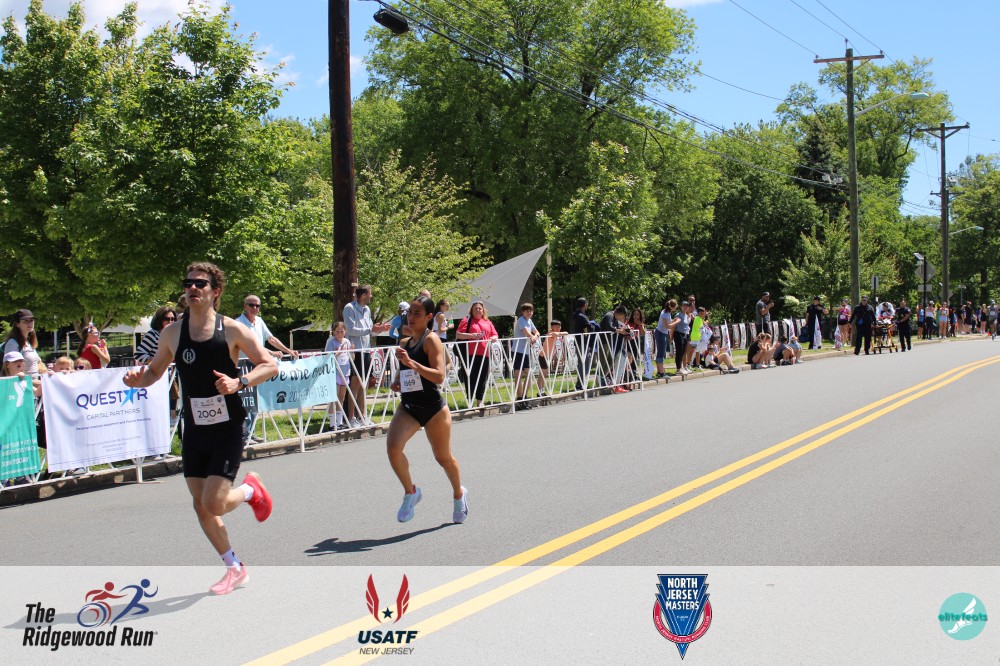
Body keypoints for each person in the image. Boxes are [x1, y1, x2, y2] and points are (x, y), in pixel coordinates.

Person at [122, 262, 278, 596]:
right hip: (194, 428)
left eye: (200, 284)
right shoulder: (172, 333)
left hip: (227, 427)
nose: (192, 288)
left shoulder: (232, 329)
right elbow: (154, 372)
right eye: (188, 283)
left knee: (215, 503)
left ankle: (251, 491)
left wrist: (239, 382)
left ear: (215, 291)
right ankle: (234, 568)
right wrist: (139, 380)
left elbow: (270, 365)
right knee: (201, 505)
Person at [387, 295, 467, 524]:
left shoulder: (431, 340)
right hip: (409, 406)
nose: (411, 318)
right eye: (409, 313)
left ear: (429, 317)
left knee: (443, 458)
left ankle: (459, 494)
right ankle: (411, 492)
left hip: (433, 409)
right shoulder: (405, 343)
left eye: (417, 314)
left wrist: (412, 364)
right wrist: (397, 380)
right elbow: (405, 372)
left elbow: (439, 376)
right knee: (393, 448)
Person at [343, 285, 390, 427]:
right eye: (370, 294)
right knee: (355, 385)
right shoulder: (349, 308)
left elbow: (370, 331)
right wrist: (370, 329)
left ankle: (362, 416)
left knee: (364, 385)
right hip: (355, 351)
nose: (371, 296)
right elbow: (351, 330)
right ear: (363, 295)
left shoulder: (367, 310)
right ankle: (351, 418)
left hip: (366, 350)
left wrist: (379, 329)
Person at [455, 301, 498, 408]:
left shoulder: (487, 322)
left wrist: (493, 338)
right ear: (472, 311)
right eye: (476, 308)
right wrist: (473, 335)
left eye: (480, 308)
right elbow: (458, 335)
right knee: (471, 377)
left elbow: (495, 334)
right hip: (470, 354)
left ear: (483, 311)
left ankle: (480, 401)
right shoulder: (467, 320)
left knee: (482, 378)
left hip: (484, 354)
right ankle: (470, 402)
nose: (478, 310)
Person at [236, 295, 299, 361]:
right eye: (251, 305)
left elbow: (271, 339)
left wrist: (289, 351)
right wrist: (271, 353)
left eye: (257, 306)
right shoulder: (238, 323)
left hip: (259, 362)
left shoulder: (259, 320)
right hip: (243, 363)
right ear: (245, 306)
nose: (254, 307)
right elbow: (251, 345)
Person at [511, 303, 545, 407]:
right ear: (522, 312)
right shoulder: (521, 320)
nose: (529, 313)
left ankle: (524, 397)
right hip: (517, 350)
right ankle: (519, 398)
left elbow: (537, 332)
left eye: (530, 311)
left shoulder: (529, 321)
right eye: (527, 311)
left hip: (526, 351)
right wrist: (533, 337)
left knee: (529, 374)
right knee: (518, 375)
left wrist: (535, 336)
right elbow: (526, 333)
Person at [324, 322, 352, 430]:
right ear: (334, 332)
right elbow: (328, 357)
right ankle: (332, 423)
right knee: (333, 397)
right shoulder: (331, 342)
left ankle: (339, 422)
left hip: (345, 371)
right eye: (337, 332)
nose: (340, 334)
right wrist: (339, 352)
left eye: (342, 331)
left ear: (345, 332)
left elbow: (351, 358)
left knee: (341, 397)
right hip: (335, 371)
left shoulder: (347, 341)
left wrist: (351, 351)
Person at [5, 309, 42, 376]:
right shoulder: (13, 343)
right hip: (24, 382)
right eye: (25, 321)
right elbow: (11, 370)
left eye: (31, 320)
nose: (29, 323)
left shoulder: (29, 343)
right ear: (17, 324)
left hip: (35, 381)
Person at [652, 299, 672, 379]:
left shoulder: (667, 312)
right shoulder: (666, 314)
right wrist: (677, 322)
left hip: (663, 333)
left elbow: (668, 323)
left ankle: (660, 371)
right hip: (661, 333)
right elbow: (668, 326)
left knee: (662, 352)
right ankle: (661, 372)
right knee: (661, 352)